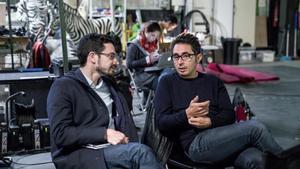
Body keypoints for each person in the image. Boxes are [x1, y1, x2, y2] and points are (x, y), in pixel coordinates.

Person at [154, 33, 283, 169]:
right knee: (255, 128)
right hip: (196, 145)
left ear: (198, 57)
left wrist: (210, 122)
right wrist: (187, 114)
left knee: (257, 160)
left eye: (186, 56)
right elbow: (162, 123)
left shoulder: (212, 81)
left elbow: (229, 114)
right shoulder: (167, 83)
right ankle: (291, 163)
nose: (180, 62)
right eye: (176, 57)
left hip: (224, 139)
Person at [47, 33, 164, 169]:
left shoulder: (110, 84)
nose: (116, 62)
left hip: (113, 149)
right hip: (85, 153)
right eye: (111, 56)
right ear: (92, 57)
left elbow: (125, 120)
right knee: (140, 154)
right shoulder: (64, 87)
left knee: (148, 152)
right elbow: (61, 133)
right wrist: (104, 134)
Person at [126, 21, 162, 91]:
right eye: (152, 35)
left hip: (152, 73)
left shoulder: (152, 44)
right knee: (163, 83)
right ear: (145, 31)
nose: (154, 38)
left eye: (156, 36)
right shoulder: (134, 45)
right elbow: (129, 64)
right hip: (141, 77)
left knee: (168, 77)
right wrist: (148, 59)